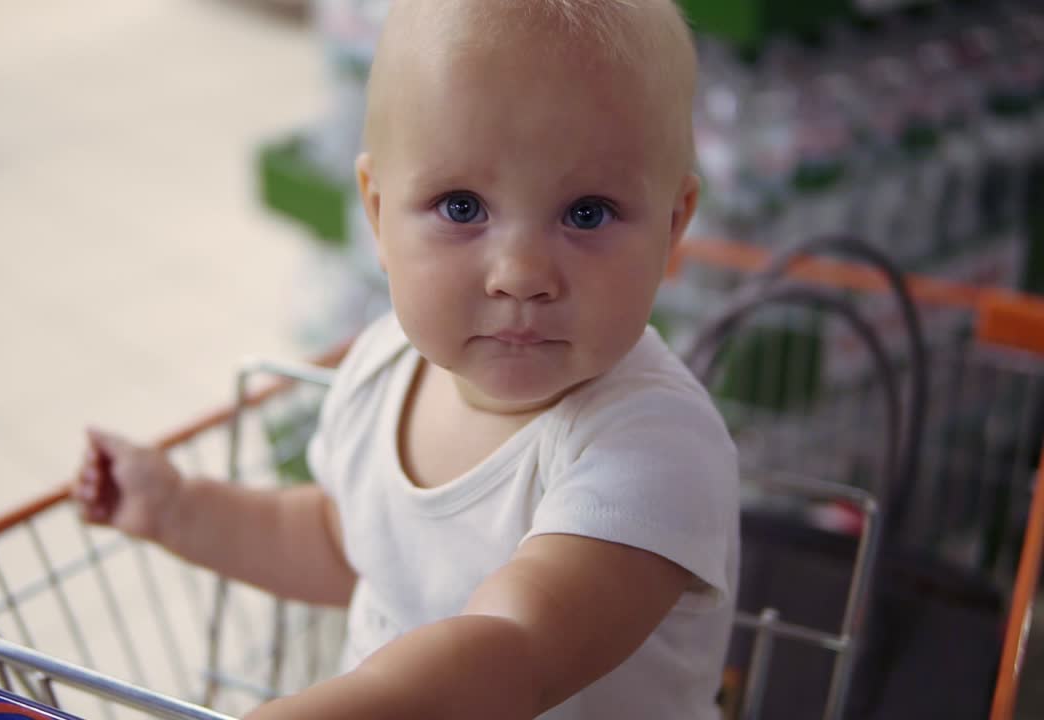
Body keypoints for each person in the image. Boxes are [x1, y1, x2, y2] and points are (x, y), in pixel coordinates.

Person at [73, 0, 739, 717]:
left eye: (587, 213)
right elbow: (339, 542)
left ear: (673, 228)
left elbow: (515, 650)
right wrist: (180, 510)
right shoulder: (382, 367)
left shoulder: (651, 449)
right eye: (462, 207)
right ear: (377, 213)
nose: (520, 273)